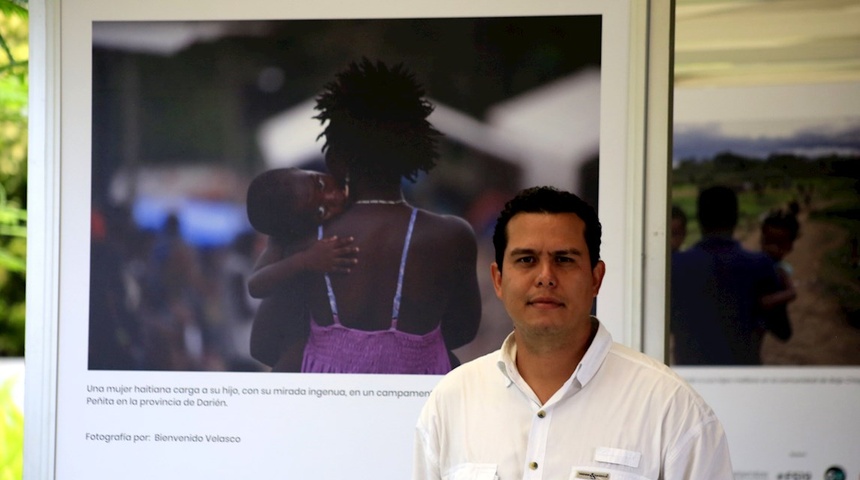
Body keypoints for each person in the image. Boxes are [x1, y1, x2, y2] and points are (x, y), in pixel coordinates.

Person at [414, 186, 733, 479]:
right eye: (526, 259)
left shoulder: (670, 407)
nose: (545, 277)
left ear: (596, 278)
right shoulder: (452, 400)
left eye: (564, 260)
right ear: (498, 279)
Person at [255, 59, 481, 374]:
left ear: (335, 160)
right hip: (416, 408)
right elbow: (463, 331)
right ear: (414, 154)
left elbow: (262, 344)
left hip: (326, 410)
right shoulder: (453, 236)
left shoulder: (310, 237)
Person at [246, 167, 358, 370]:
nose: (334, 196)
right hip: (291, 341)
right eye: (321, 211)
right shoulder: (286, 240)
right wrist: (305, 260)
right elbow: (255, 285)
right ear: (293, 228)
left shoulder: (355, 205)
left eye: (320, 184)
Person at [671, 185, 780, 365]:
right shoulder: (761, 265)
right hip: (743, 376)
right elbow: (782, 331)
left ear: (698, 219)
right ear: (736, 217)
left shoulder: (674, 266)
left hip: (691, 377)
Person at [758, 207, 801, 341]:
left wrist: (771, 300)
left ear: (789, 247)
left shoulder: (780, 269)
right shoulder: (755, 261)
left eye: (779, 244)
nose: (772, 248)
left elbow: (792, 292)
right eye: (768, 241)